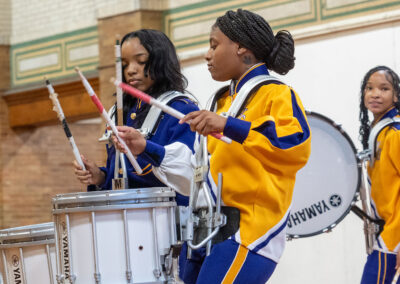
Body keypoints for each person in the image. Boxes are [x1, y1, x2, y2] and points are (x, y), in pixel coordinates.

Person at [115, 9, 311, 283]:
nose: (207, 54)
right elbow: (193, 169)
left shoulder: (277, 93)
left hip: (249, 230)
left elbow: (295, 146)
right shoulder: (221, 101)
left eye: (214, 45)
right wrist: (145, 146)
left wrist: (228, 125)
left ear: (241, 47)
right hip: (205, 227)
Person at [73, 29, 199, 205]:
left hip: (168, 218)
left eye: (141, 61)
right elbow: (123, 179)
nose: (131, 70)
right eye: (124, 64)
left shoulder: (181, 109)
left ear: (161, 61)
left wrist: (145, 147)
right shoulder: (120, 113)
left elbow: (186, 175)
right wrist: (100, 177)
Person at [359, 66, 400, 284]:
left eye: (384, 89)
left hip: (395, 234)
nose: (375, 94)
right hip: (387, 230)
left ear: (395, 96)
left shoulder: (395, 134)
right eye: (369, 88)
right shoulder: (380, 131)